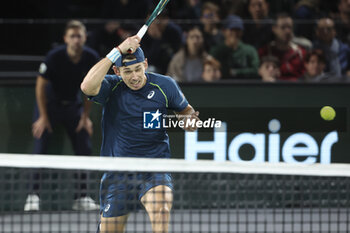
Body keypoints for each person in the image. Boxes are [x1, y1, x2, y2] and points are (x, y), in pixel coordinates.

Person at [80, 36, 200, 232]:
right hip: (118, 174)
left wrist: (189, 119)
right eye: (127, 71)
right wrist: (117, 50)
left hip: (154, 169)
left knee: (161, 210)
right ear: (117, 71)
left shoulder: (165, 85)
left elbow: (186, 111)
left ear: (145, 64)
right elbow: (86, 86)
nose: (134, 76)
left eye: (138, 69)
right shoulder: (111, 86)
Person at [26, 20, 100, 212]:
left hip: (73, 107)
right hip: (48, 107)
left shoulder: (91, 57)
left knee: (84, 147)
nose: (76, 40)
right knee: (40, 148)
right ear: (66, 39)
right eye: (72, 36)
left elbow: (90, 90)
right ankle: (33, 196)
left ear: (84, 38)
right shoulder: (54, 56)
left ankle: (81, 197)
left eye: (79, 36)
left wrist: (85, 117)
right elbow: (40, 86)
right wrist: (43, 116)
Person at [258, 13, 306, 81]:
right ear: (274, 29)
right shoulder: (264, 52)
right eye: (283, 27)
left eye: (289, 27)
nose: (287, 31)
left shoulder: (301, 53)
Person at [210, 14, 260, 79]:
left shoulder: (250, 50)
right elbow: (210, 70)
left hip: (246, 86)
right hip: (222, 86)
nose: (235, 33)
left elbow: (256, 71)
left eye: (238, 30)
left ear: (242, 32)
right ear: (223, 31)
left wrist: (235, 72)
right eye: (231, 30)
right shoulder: (216, 51)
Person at [141, 9, 183, 74]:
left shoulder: (173, 32)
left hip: (169, 68)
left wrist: (158, 38)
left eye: (159, 20)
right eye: (151, 20)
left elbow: (173, 56)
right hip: (149, 68)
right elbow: (148, 59)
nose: (155, 23)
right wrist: (156, 39)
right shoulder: (142, 34)